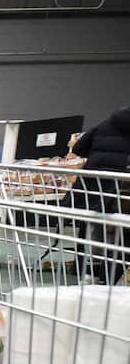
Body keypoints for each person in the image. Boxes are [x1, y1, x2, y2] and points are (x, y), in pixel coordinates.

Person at [69, 106, 130, 284]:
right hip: (123, 190)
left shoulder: (107, 123)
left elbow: (79, 148)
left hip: (96, 187)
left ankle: (90, 278)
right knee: (121, 239)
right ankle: (105, 282)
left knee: (97, 232)